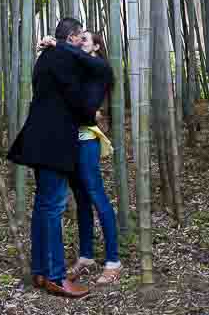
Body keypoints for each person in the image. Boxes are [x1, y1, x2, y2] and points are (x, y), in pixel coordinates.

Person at [7, 17, 112, 299]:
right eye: (80, 39)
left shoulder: (44, 59)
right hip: (55, 142)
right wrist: (91, 115)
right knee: (52, 207)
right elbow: (94, 82)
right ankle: (55, 277)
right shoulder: (64, 59)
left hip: (37, 139)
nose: (82, 45)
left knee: (43, 206)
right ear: (72, 38)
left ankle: (40, 272)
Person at [67, 31, 121, 285]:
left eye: (85, 39)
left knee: (96, 194)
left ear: (97, 46)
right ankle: (86, 255)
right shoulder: (80, 69)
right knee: (81, 198)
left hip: (87, 140)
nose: (79, 42)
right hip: (70, 139)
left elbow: (86, 107)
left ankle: (113, 260)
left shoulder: (100, 68)